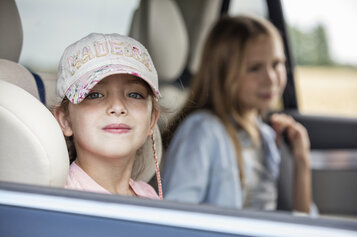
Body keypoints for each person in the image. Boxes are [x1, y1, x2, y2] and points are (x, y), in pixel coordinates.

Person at [162, 16, 313, 212]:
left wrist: (301, 161)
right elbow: (177, 217)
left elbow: (302, 223)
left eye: (276, 64)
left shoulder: (265, 135)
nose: (270, 78)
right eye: (254, 68)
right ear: (223, 73)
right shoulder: (203, 131)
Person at [53, 33, 163, 199]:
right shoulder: (59, 200)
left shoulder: (148, 195)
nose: (118, 107)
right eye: (95, 95)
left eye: (134, 95)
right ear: (65, 120)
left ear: (152, 120)